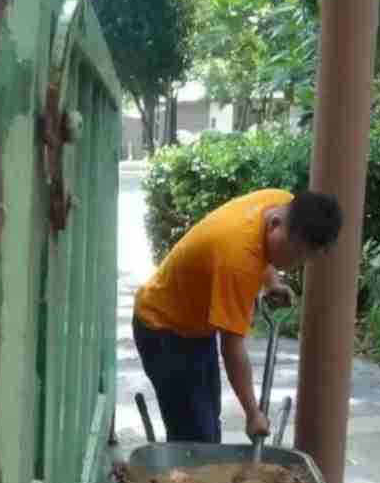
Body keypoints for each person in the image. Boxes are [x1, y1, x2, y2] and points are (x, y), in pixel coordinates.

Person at [133, 188, 343, 444]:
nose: (294, 263)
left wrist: (271, 283)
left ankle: (200, 473)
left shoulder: (281, 203)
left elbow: (262, 251)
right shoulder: (236, 261)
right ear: (276, 224)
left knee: (207, 419)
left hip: (192, 325)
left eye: (303, 259)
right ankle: (186, 479)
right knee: (195, 437)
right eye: (294, 253)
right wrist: (253, 414)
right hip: (163, 329)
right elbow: (232, 350)